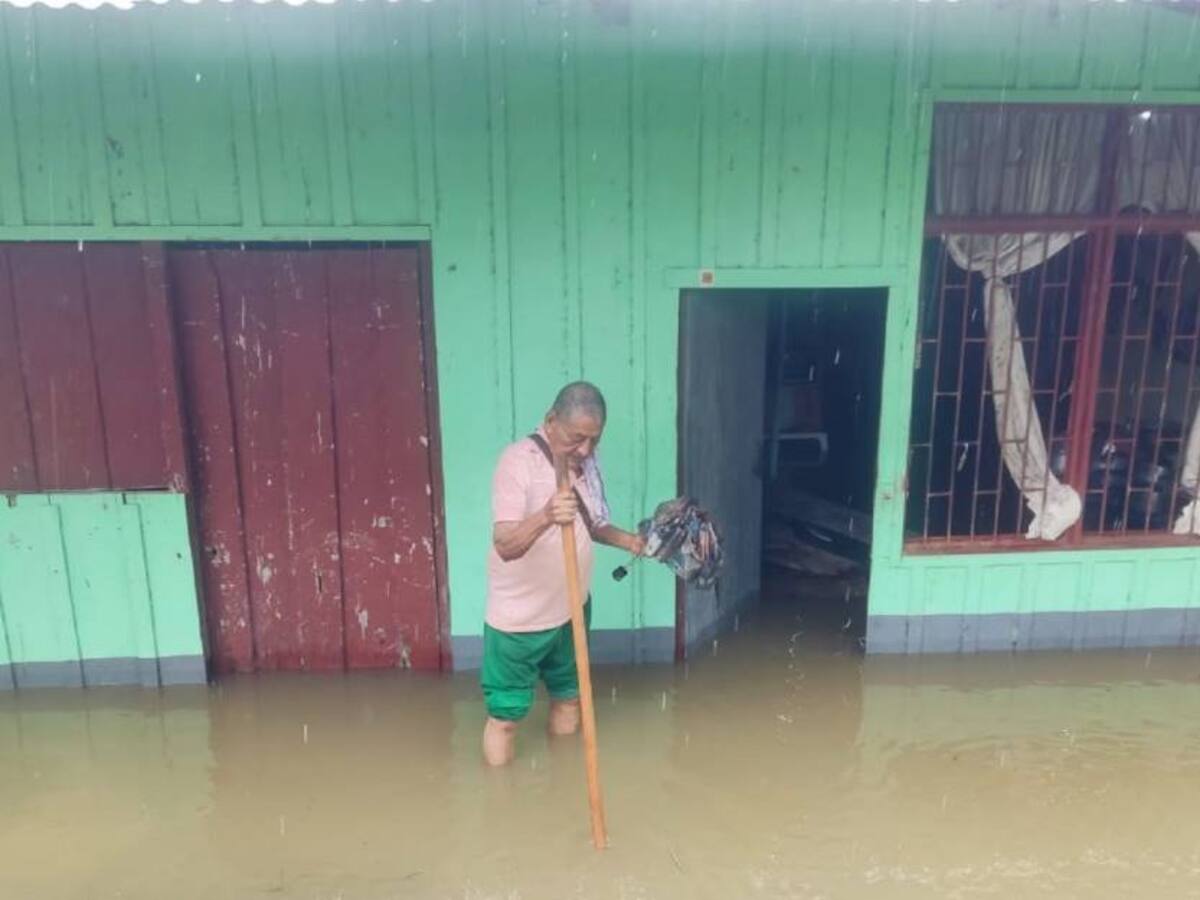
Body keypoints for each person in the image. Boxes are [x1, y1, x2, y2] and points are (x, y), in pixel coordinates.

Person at [481, 382, 644, 766]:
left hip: (571, 610)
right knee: (506, 718)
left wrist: (635, 542)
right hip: (518, 624)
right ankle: (501, 805)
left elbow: (592, 523)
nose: (586, 450)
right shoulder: (517, 462)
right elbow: (505, 545)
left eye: (594, 439)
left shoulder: (585, 464)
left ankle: (562, 783)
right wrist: (547, 515)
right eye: (577, 438)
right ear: (552, 421)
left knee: (569, 699)